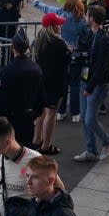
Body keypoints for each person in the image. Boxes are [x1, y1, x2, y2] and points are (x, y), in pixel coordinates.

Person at [75, 5, 109, 162]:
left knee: (89, 119)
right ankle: (90, 150)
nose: (85, 17)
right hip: (86, 81)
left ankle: (108, 141)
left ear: (92, 18)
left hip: (96, 84)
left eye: (87, 15)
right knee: (85, 119)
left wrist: (90, 87)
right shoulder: (93, 36)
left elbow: (101, 67)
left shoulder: (103, 39)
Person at [0, 30, 46, 150]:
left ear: (13, 47)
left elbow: (1, 98)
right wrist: (36, 112)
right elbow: (40, 95)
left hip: (10, 118)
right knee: (25, 153)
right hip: (27, 117)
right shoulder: (36, 69)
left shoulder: (8, 70)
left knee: (8, 153)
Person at [33, 13, 72, 155]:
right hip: (55, 83)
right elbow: (65, 61)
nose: (60, 26)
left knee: (41, 111)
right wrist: (69, 52)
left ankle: (37, 139)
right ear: (53, 26)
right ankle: (46, 145)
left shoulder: (40, 40)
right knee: (51, 113)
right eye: (58, 24)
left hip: (42, 81)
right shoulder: (59, 43)